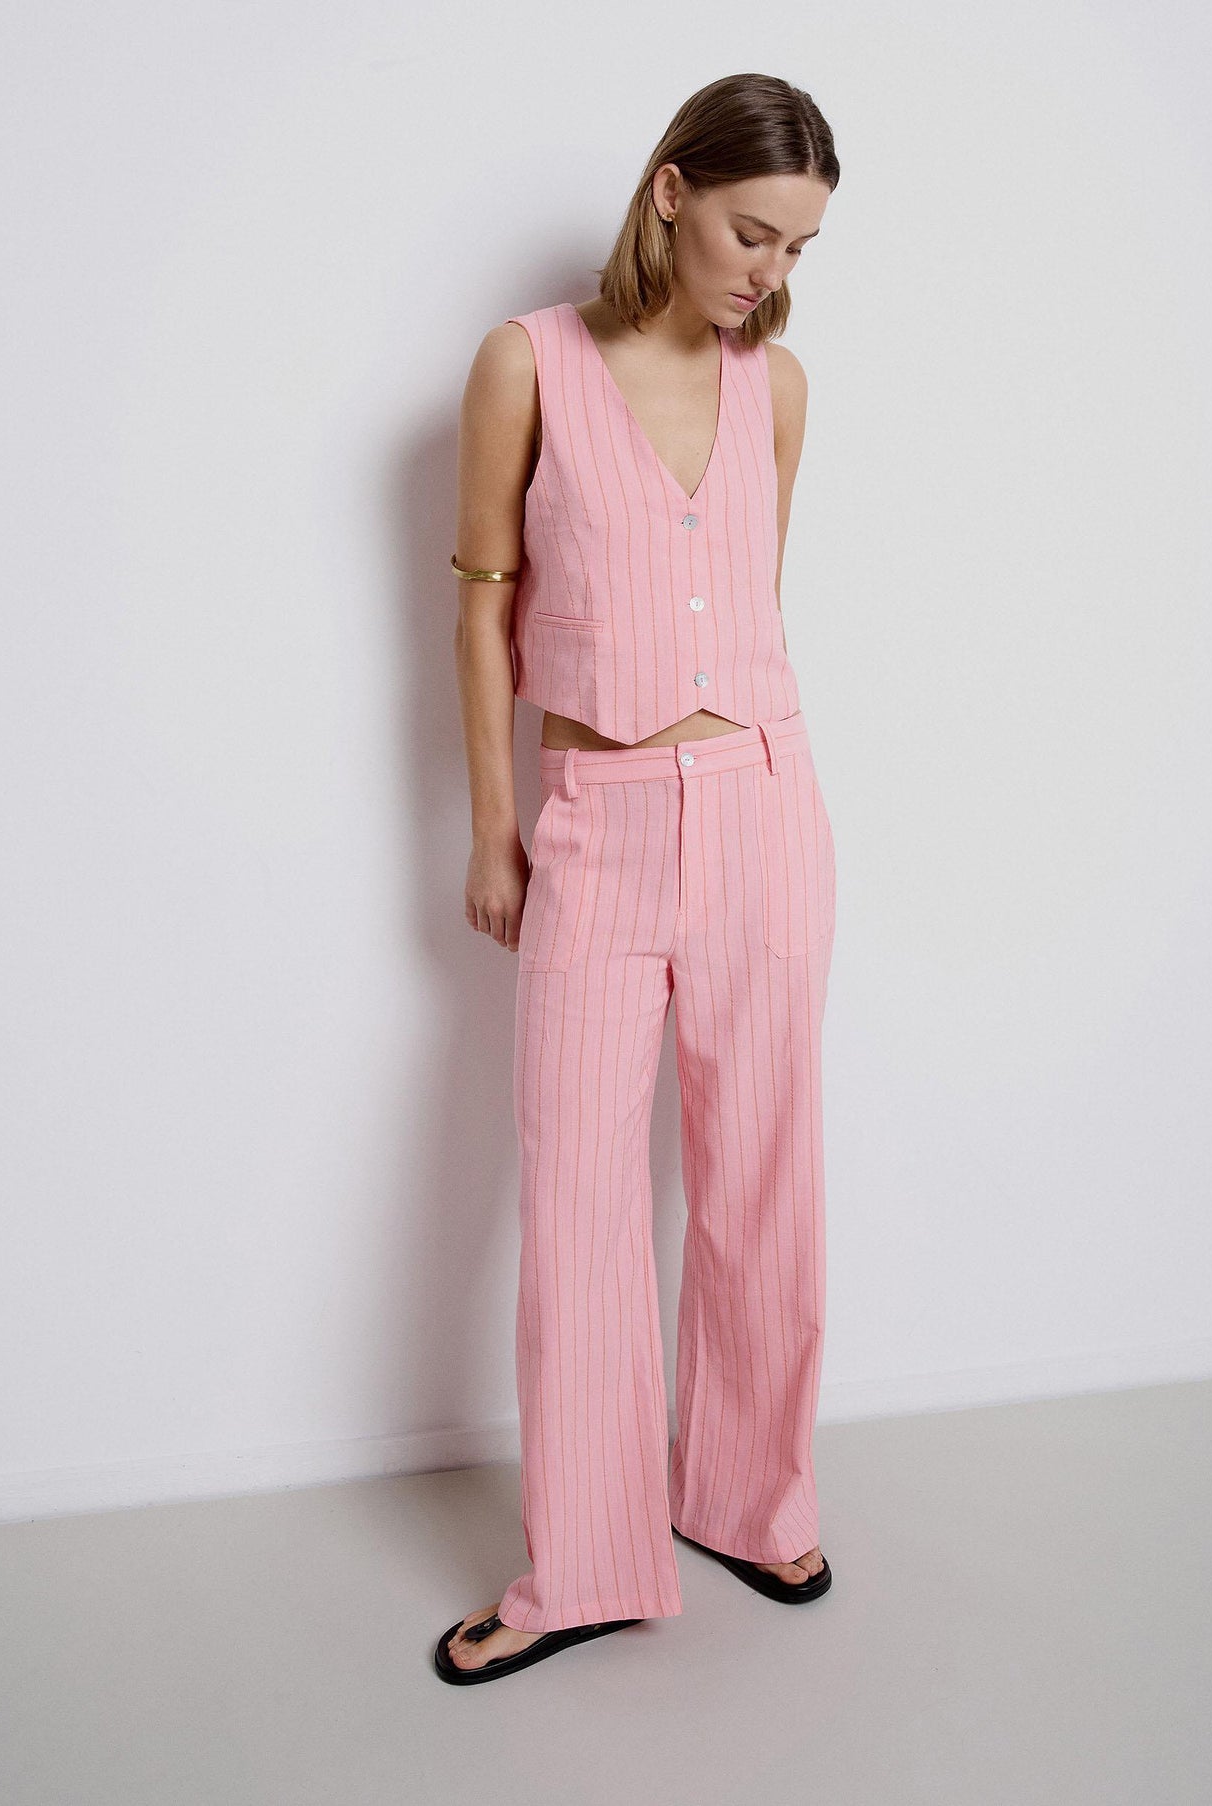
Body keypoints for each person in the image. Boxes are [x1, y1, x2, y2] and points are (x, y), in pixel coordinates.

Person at [437, 73, 840, 1684]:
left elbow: (746, 600)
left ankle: (746, 1494)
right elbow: (480, 607)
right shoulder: (524, 362)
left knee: (762, 1173)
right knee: (577, 1194)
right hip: (592, 817)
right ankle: (588, 1558)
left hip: (761, 805)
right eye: (751, 231)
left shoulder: (777, 386)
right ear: (670, 191)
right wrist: (494, 827)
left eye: (798, 246)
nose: (769, 271)